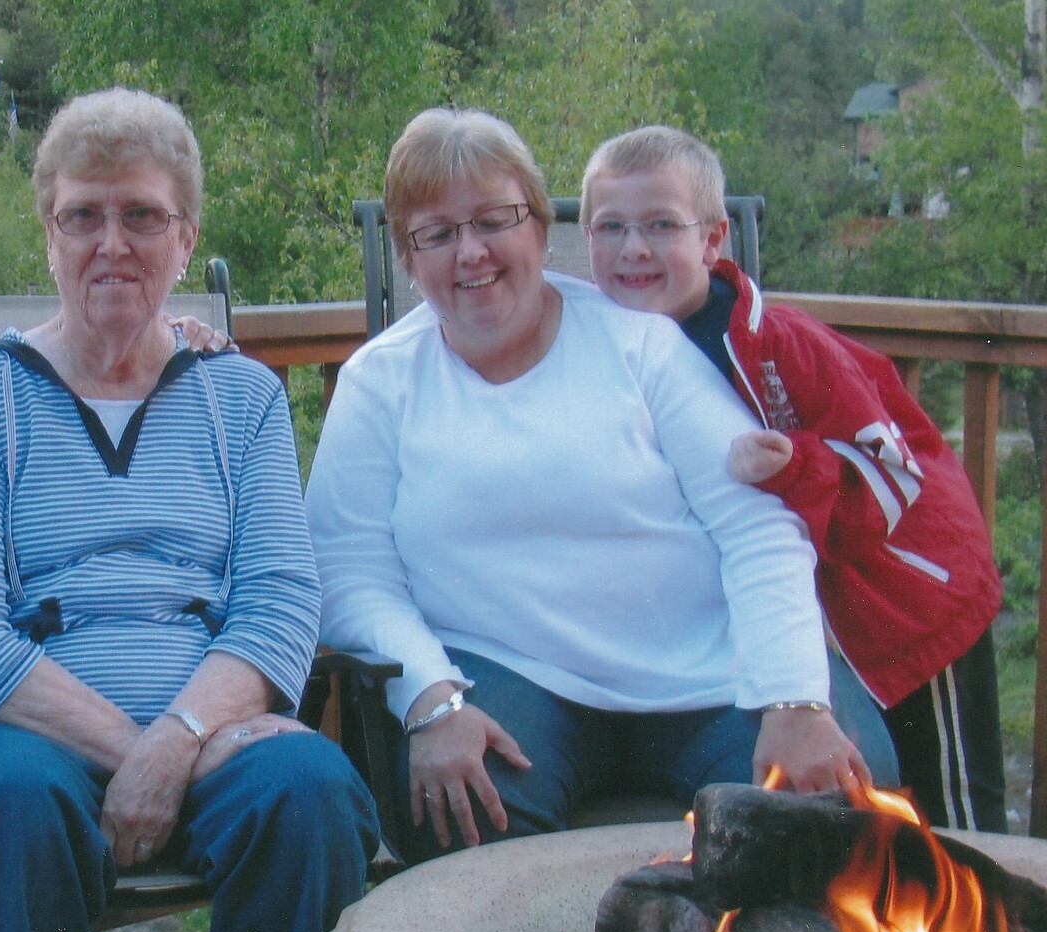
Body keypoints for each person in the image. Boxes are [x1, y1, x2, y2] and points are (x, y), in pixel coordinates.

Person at [0, 88, 377, 932]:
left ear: (186, 236)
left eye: (141, 216)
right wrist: (150, 753)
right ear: (48, 232)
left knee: (308, 790)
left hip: (210, 722)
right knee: (0, 806)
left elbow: (279, 602)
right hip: (30, 730)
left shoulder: (240, 396)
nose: (110, 243)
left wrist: (183, 737)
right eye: (83, 215)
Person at [305, 107, 870, 863]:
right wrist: (431, 698)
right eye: (436, 234)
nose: (470, 252)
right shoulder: (380, 382)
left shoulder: (643, 345)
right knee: (462, 811)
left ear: (540, 228)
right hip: (510, 673)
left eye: (494, 221)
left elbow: (758, 524)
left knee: (829, 806)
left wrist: (793, 698)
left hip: (708, 675)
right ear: (410, 258)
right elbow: (349, 570)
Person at [580, 125, 1006, 832]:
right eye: (612, 227)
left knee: (953, 810)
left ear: (713, 239)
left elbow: (894, 477)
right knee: (885, 817)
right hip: (819, 620)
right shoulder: (601, 349)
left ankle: (987, 902)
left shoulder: (781, 347)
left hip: (909, 598)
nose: (634, 248)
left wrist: (795, 465)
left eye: (661, 225)